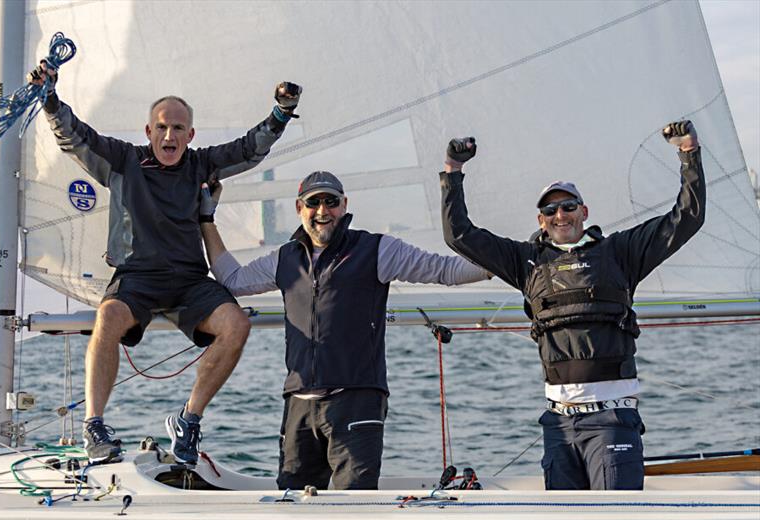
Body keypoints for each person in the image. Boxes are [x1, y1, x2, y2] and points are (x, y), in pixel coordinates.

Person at [28, 61, 301, 465]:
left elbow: (248, 149)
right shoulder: (123, 160)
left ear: (190, 135)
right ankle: (94, 424)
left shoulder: (201, 164)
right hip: (136, 278)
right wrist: (49, 98)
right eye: (162, 127)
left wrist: (281, 113)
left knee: (237, 324)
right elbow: (75, 137)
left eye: (178, 129)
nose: (169, 135)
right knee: (107, 319)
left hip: (190, 282)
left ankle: (188, 420)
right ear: (149, 132)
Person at [439, 121, 704, 490]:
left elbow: (687, 217)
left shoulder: (620, 253)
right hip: (559, 427)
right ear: (540, 221)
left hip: (613, 422)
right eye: (550, 211)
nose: (559, 215)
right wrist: (453, 171)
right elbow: (459, 234)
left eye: (567, 207)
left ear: (584, 211)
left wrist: (688, 151)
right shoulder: (526, 261)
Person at [198, 171, 491, 489]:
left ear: (344, 205)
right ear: (300, 208)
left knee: (356, 510)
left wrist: (501, 263)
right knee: (293, 508)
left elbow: (444, 270)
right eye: (314, 202)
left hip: (356, 400)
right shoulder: (285, 258)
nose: (323, 211)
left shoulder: (377, 249)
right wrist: (206, 219)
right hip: (299, 405)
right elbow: (233, 280)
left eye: (331, 202)